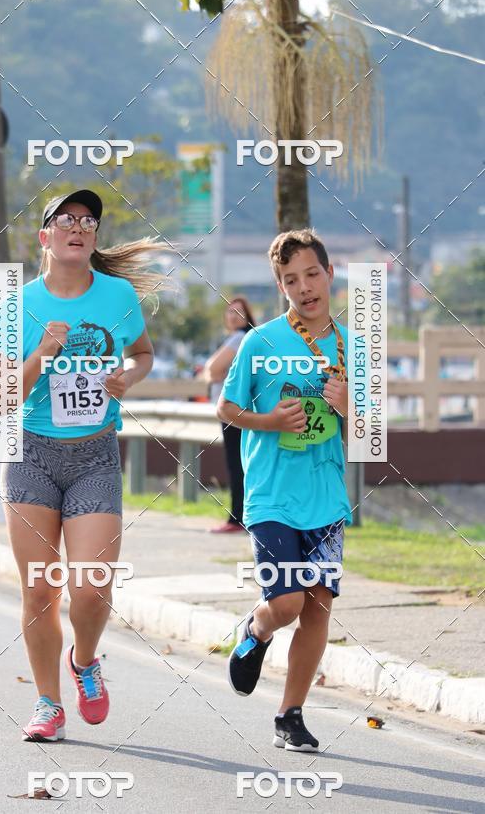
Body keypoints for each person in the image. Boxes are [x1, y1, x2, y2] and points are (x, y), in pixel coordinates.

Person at [0, 188, 169, 743]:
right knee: (39, 590)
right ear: (44, 236)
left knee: (91, 589)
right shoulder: (18, 305)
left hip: (95, 455)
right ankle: (48, 704)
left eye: (89, 221)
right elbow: (2, 396)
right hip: (33, 454)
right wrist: (42, 353)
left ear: (94, 238)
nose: (79, 227)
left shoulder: (117, 295)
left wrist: (129, 376)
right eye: (66, 219)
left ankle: (86, 660)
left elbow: (143, 353)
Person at [217, 229, 351, 752]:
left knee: (317, 607)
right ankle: (256, 628)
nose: (305, 287)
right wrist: (270, 421)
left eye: (312, 274)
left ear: (329, 274)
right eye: (291, 280)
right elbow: (227, 409)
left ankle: (289, 715)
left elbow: (374, 430)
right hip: (271, 494)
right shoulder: (261, 342)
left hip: (327, 497)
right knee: (289, 601)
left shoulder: (353, 346)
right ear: (280, 287)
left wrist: (348, 405)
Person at [203, 297, 256, 534]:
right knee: (242, 463)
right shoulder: (243, 337)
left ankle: (237, 519)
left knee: (237, 464)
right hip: (241, 409)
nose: (233, 316)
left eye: (238, 312)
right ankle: (243, 517)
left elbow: (212, 369)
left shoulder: (239, 338)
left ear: (248, 316)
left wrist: (216, 373)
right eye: (230, 312)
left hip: (234, 409)